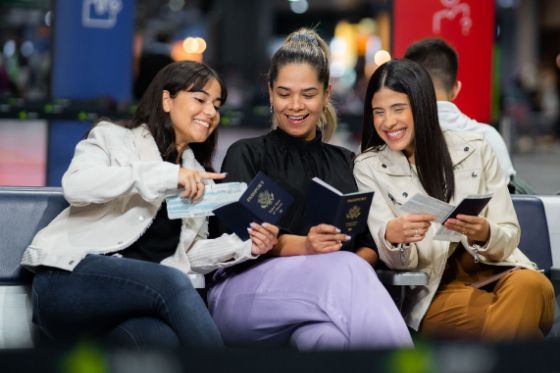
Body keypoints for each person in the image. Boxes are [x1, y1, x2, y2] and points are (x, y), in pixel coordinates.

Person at [20, 61, 278, 348]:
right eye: (200, 99)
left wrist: (245, 247)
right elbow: (77, 186)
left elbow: (188, 256)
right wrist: (166, 174)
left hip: (131, 303)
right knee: (172, 283)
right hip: (68, 281)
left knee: (161, 341)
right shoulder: (113, 138)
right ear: (167, 100)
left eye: (216, 105)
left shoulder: (199, 176)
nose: (211, 112)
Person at [207, 28, 413, 350]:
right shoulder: (246, 153)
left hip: (328, 293)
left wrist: (351, 257)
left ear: (327, 92)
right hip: (244, 293)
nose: (295, 105)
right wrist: (310, 247)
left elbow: (370, 243)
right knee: (347, 269)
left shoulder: (347, 162)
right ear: (270, 91)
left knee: (330, 339)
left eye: (308, 93)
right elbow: (241, 237)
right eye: (285, 93)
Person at [353, 59, 555, 341]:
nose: (388, 122)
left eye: (398, 109)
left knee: (532, 285)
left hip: (499, 271)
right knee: (524, 323)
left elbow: (509, 234)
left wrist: (484, 232)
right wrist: (393, 238)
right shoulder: (369, 166)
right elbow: (399, 260)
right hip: (436, 290)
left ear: (422, 106)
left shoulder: (476, 148)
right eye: (378, 112)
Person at [403, 38, 518, 187]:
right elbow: (508, 200)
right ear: (456, 89)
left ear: (406, 88)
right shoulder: (489, 137)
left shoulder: (396, 138)